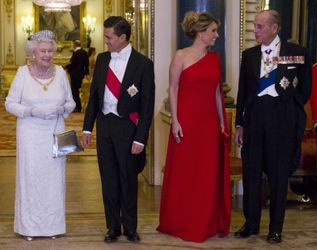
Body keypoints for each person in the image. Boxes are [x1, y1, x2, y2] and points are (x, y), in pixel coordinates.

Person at [234, 10, 312, 244]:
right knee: (251, 173)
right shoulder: (249, 55)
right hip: (255, 119)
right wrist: (239, 123)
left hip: (282, 120)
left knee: (278, 177)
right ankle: (251, 223)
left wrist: (288, 108)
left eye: (259, 26)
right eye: (255, 26)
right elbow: (243, 92)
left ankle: (275, 228)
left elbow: (305, 90)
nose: (255, 30)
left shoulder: (297, 53)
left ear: (274, 28)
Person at [157, 11, 231, 243]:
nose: (216, 35)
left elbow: (217, 93)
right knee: (186, 174)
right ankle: (182, 221)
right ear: (200, 33)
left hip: (209, 124)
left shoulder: (215, 58)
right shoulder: (180, 56)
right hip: (187, 123)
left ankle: (206, 222)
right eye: (213, 31)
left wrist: (221, 121)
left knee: (206, 175)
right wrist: (176, 120)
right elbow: (174, 90)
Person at [82, 16, 155, 243]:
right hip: (105, 127)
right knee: (109, 179)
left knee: (128, 180)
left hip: (127, 129)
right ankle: (112, 227)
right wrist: (87, 128)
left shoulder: (143, 64)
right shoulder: (102, 60)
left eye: (109, 37)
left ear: (122, 38)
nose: (105, 41)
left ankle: (130, 227)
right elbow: (94, 96)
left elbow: (147, 105)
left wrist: (141, 139)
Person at [5, 30, 76, 241]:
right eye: (42, 51)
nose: (47, 55)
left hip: (55, 133)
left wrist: (63, 109)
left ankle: (52, 226)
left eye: (50, 51)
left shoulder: (61, 73)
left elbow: (71, 102)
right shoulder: (22, 73)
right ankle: (30, 228)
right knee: (31, 178)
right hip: (30, 134)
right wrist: (31, 111)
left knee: (54, 179)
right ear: (33, 53)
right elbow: (10, 103)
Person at [66, 39, 89, 112]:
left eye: (73, 44)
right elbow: (86, 64)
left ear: (75, 45)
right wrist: (87, 73)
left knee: (74, 91)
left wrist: (66, 68)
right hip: (81, 74)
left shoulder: (75, 53)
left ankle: (77, 107)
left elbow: (73, 64)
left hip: (75, 74)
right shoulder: (85, 52)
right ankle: (78, 107)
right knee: (78, 90)